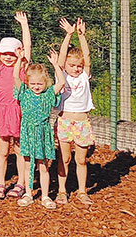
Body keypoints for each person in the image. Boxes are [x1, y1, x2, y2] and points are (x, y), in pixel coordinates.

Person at [0, 11, 31, 200]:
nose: (8, 57)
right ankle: (0, 183)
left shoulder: (23, 69)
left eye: (12, 54)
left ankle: (20, 183)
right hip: (2, 112)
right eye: (4, 54)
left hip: (19, 112)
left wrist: (24, 25)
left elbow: (27, 46)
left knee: (19, 150)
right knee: (2, 151)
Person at [15, 50, 65, 209]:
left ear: (45, 83)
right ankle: (28, 193)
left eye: (40, 84)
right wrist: (18, 60)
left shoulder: (48, 94)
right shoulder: (24, 93)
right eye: (33, 84)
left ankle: (45, 195)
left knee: (43, 165)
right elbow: (16, 77)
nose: (36, 87)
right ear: (28, 83)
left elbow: (62, 82)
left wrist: (56, 65)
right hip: (28, 132)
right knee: (28, 163)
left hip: (43, 132)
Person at [56, 17, 95, 206]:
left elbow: (87, 58)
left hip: (82, 122)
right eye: (73, 65)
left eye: (79, 66)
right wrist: (68, 35)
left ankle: (81, 191)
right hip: (65, 121)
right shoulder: (63, 74)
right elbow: (62, 57)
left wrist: (82, 36)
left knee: (81, 160)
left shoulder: (85, 77)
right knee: (64, 158)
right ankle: (62, 191)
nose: (77, 68)